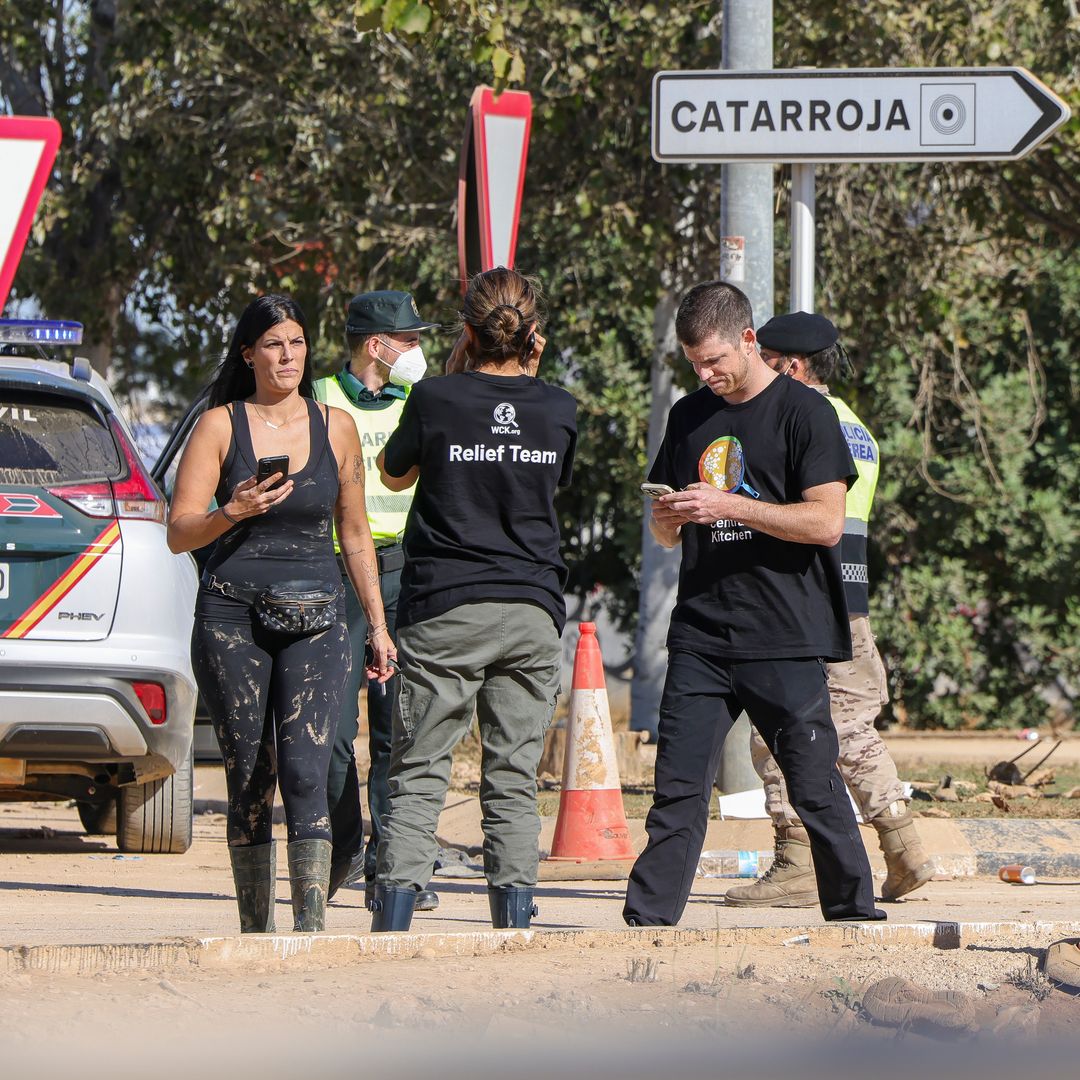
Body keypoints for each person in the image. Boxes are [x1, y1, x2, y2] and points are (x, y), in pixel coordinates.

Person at [623, 281, 884, 927]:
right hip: (703, 631)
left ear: (748, 340)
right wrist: (670, 516)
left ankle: (853, 914)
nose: (706, 375)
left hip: (786, 631)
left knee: (814, 785)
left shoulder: (806, 413)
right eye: (694, 364)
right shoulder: (688, 416)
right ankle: (647, 924)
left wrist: (728, 505)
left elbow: (825, 523)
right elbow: (664, 532)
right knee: (677, 789)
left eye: (715, 360)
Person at [167, 293, 395, 934]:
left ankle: (310, 929)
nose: (287, 355)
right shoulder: (219, 426)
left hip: (319, 616)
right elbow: (179, 531)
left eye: (296, 342)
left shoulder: (337, 427)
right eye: (272, 344)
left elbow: (354, 534)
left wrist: (377, 626)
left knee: (308, 768)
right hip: (232, 618)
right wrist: (229, 512)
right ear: (249, 354)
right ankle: (255, 930)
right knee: (248, 773)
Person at [369, 267, 577, 933]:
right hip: (530, 608)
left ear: (466, 331)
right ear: (532, 334)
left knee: (420, 771)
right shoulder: (558, 407)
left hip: (445, 608)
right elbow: (551, 484)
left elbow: (392, 473)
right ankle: (512, 925)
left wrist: (457, 380)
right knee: (512, 776)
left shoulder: (434, 399)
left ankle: (395, 923)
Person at [724, 311, 934, 908]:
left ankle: (794, 861)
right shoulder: (856, 425)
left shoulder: (796, 418)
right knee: (851, 727)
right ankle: (903, 845)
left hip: (804, 600)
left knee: (779, 727)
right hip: (852, 596)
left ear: (789, 366)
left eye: (762, 361)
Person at [312, 290, 440, 913]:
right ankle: (345, 847)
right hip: (333, 577)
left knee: (399, 729)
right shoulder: (320, 398)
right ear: (376, 345)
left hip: (402, 572)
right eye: (410, 340)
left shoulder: (422, 402)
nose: (419, 351)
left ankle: (393, 864)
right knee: (333, 733)